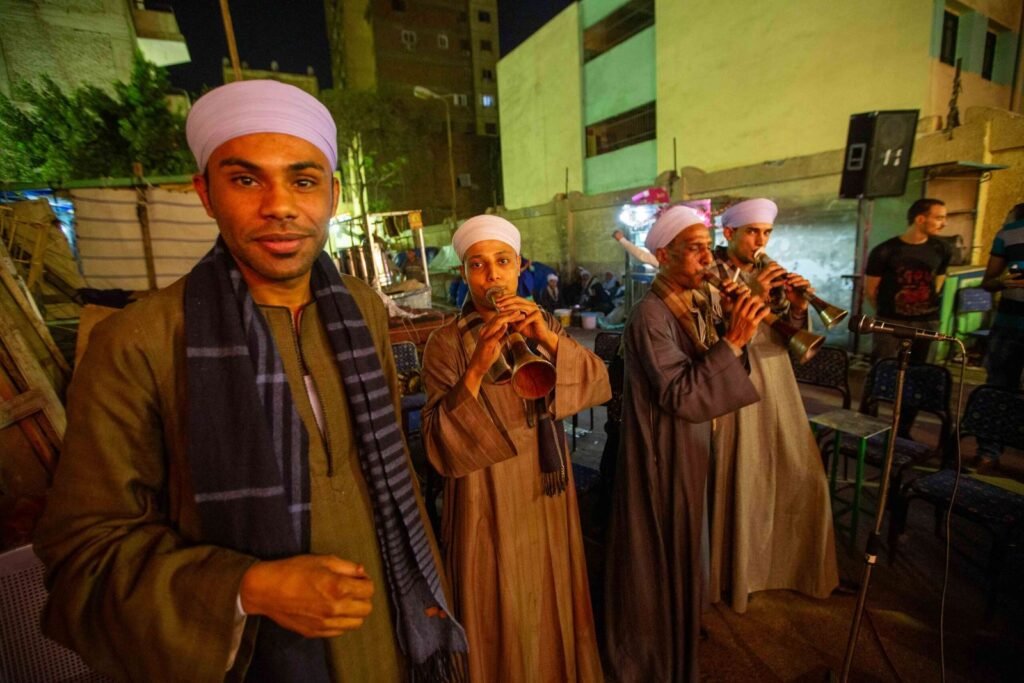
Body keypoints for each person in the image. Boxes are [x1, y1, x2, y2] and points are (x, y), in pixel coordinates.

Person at [33, 80, 466, 682]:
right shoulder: (139, 340)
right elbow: (83, 555)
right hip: (256, 653)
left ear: (333, 195)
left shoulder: (363, 309)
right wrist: (246, 588)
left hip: (385, 628)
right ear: (205, 193)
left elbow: (393, 479)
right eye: (245, 180)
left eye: (303, 180)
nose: (280, 205)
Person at [421, 215, 610, 682]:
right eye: (478, 265)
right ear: (464, 274)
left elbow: (597, 384)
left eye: (501, 262)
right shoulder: (445, 343)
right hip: (486, 487)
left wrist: (546, 338)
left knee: (552, 585)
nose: (491, 276)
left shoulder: (540, 321)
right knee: (497, 590)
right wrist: (478, 366)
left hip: (546, 482)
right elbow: (436, 442)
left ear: (518, 267)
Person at [604, 205, 766, 683]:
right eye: (694, 250)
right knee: (658, 549)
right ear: (662, 256)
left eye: (705, 248)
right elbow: (681, 394)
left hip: (691, 443)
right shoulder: (650, 314)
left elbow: (720, 369)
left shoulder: (696, 301)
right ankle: (651, 654)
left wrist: (740, 329)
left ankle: (679, 634)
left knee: (686, 546)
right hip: (662, 449)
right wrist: (732, 343)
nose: (706, 260)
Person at [706, 198, 839, 615]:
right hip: (736, 379)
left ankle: (785, 568)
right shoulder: (709, 274)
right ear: (728, 234)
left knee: (799, 475)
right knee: (742, 474)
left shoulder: (772, 271)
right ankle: (735, 573)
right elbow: (713, 333)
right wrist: (756, 292)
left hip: (777, 379)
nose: (761, 241)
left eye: (766, 233)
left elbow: (788, 336)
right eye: (752, 232)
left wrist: (799, 307)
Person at [865, 198, 952, 365]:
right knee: (883, 366)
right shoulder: (885, 251)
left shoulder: (942, 249)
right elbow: (871, 291)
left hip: (927, 320)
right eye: (939, 218)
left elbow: (939, 281)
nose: (944, 223)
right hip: (891, 320)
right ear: (920, 219)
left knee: (922, 369)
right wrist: (890, 313)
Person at [976, 202, 1024, 472]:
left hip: (1007, 329)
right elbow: (988, 282)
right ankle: (988, 452)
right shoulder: (1008, 233)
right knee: (997, 388)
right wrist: (1005, 281)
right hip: (1008, 326)